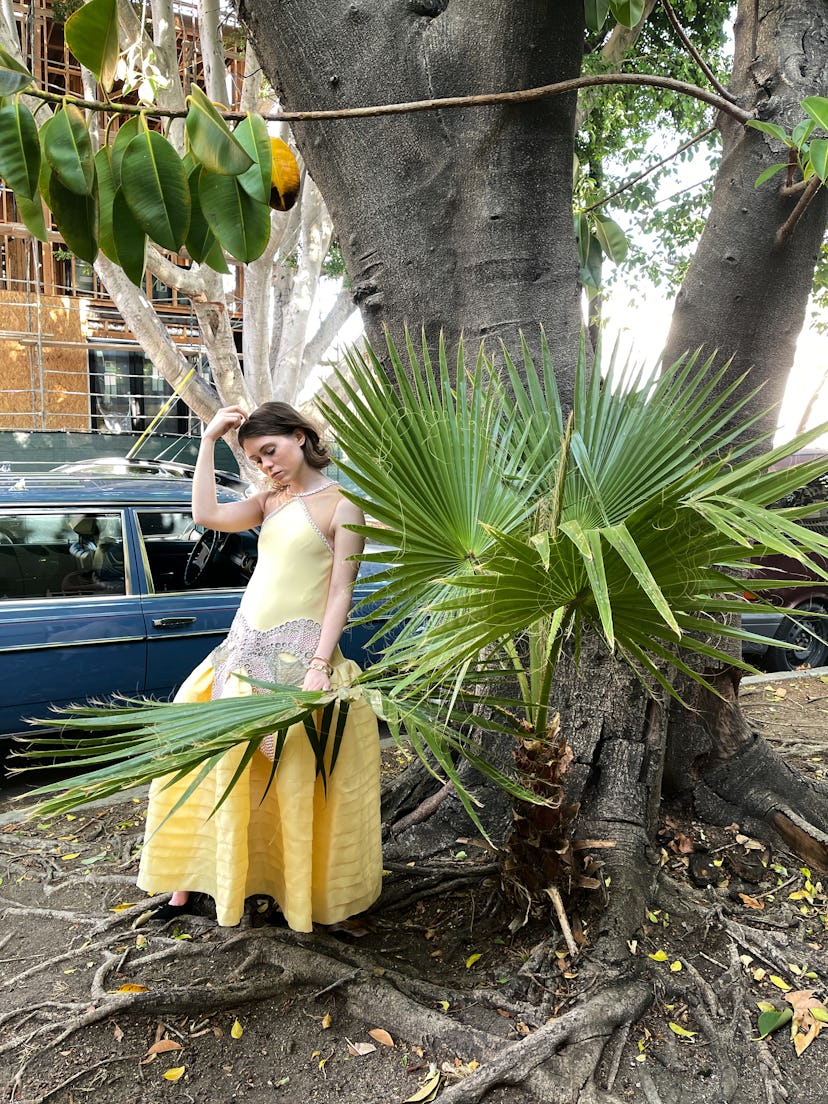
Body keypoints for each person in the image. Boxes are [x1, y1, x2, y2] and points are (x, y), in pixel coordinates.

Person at [136, 402, 383, 931]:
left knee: (292, 779)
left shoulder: (341, 504)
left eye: (270, 451)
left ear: (300, 436)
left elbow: (341, 591)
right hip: (238, 654)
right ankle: (191, 881)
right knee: (199, 759)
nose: (265, 465)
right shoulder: (271, 501)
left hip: (297, 662)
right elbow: (206, 516)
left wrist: (320, 663)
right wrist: (206, 442)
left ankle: (303, 896)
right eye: (254, 459)